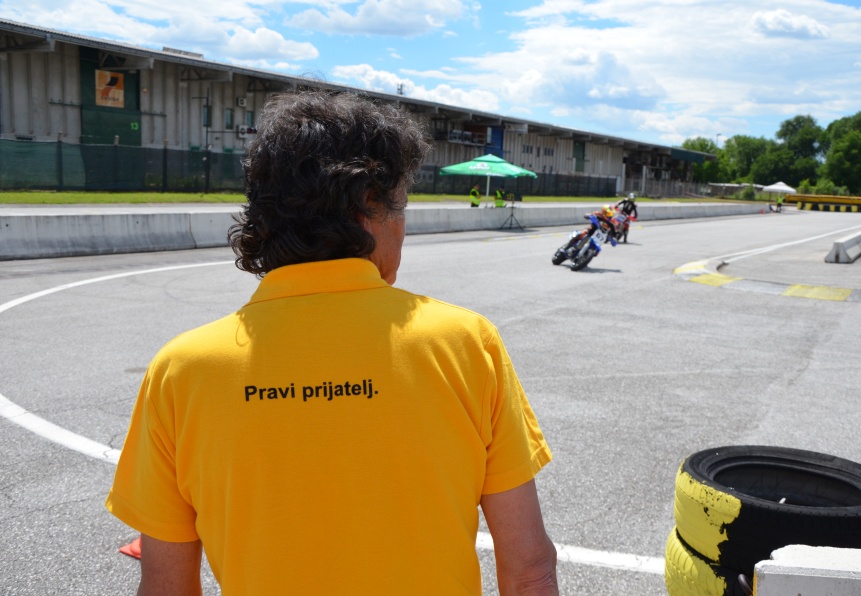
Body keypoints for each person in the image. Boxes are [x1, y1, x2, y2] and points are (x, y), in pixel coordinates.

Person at [105, 89, 558, 595]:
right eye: (402, 207)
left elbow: (166, 585)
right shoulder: (466, 344)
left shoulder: (182, 370)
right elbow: (528, 567)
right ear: (369, 206)